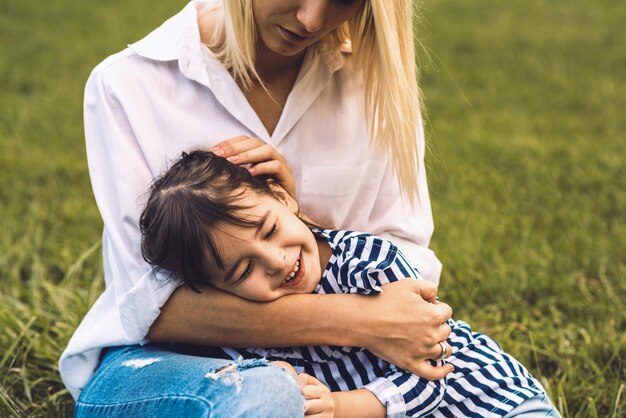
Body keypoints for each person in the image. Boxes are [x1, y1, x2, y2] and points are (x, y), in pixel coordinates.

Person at [60, 0, 558, 416]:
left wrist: (306, 219)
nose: (313, 20)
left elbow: (410, 280)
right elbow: (154, 307)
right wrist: (362, 322)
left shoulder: (375, 89)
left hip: (349, 374)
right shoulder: (130, 84)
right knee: (273, 396)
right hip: (172, 363)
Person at [138, 149, 553, 417]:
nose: (277, 261)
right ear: (218, 290)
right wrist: (284, 381)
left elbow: (434, 376)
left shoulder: (368, 263)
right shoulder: (247, 328)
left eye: (269, 230)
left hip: (490, 403)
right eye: (243, 271)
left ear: (283, 199)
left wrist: (340, 405)